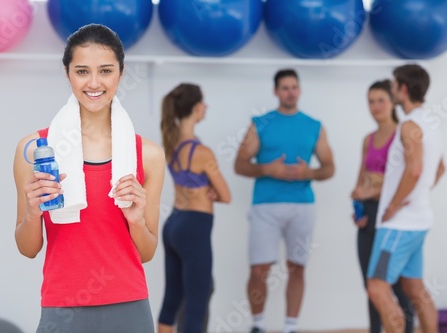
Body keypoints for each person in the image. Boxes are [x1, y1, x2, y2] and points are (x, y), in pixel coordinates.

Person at [13, 24, 165, 333]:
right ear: (67, 73)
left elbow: (147, 253)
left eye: (106, 71)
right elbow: (27, 248)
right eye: (82, 71)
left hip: (130, 308)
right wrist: (32, 212)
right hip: (62, 309)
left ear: (121, 73)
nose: (94, 83)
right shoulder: (36, 150)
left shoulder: (147, 155)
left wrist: (136, 220)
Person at [234, 69, 335, 333]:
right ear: (276, 91)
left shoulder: (314, 126)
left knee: (297, 268)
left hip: (302, 206)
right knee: (259, 271)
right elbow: (240, 164)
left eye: (294, 87)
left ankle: (290, 327)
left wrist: (308, 173)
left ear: (299, 90)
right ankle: (258, 325)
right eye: (285, 87)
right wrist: (267, 169)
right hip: (265, 206)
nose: (290, 92)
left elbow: (329, 168)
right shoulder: (260, 123)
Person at [367, 65, 446, 333]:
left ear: (403, 88)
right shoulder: (431, 123)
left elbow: (414, 170)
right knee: (415, 287)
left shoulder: (410, 125)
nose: (390, 89)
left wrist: (393, 205)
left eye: (393, 85)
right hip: (419, 222)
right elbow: (440, 169)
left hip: (399, 225)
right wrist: (420, 194)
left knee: (377, 287)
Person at [158, 83, 231, 333]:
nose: (206, 107)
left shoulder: (170, 143)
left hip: (173, 224)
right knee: (196, 304)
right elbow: (226, 195)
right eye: (204, 103)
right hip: (195, 227)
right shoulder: (202, 152)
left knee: (172, 300)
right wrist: (211, 191)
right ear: (197, 107)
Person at [351, 80, 414, 333]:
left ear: (392, 102)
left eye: (381, 100)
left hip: (392, 218)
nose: (375, 106)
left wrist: (375, 188)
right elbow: (360, 183)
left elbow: (408, 179)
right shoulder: (368, 140)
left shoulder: (403, 135)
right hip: (368, 218)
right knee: (371, 285)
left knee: (393, 285)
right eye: (371, 101)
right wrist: (358, 210)